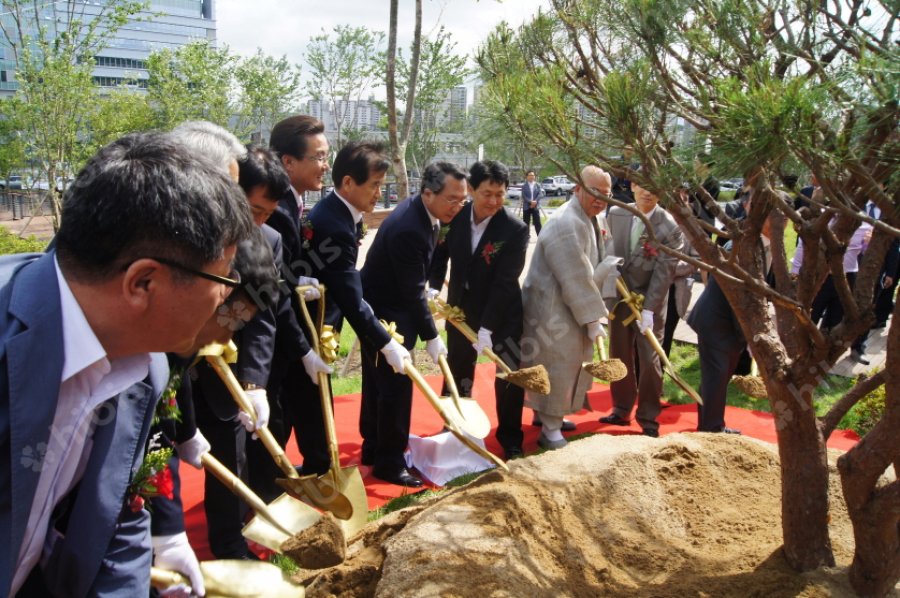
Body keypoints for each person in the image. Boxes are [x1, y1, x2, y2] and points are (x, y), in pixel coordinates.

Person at [0, 132, 253, 597]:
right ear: (143, 283)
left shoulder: (146, 368)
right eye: (224, 275)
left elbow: (115, 516)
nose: (227, 296)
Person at [150, 227, 279, 595]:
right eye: (233, 322)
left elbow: (175, 373)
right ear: (217, 288)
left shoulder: (185, 332)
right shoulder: (144, 333)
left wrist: (186, 430)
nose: (226, 339)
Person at [359, 162, 467, 486]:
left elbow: (417, 282)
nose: (458, 206)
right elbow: (411, 293)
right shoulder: (410, 227)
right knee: (395, 386)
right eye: (452, 199)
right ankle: (389, 462)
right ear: (428, 193)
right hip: (387, 311)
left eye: (462, 200)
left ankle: (373, 447)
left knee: (379, 383)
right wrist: (432, 336)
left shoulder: (425, 213)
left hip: (386, 303)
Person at [428, 160, 529, 459]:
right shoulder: (453, 219)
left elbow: (505, 281)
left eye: (500, 194)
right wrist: (433, 285)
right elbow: (439, 255)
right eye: (487, 193)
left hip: (503, 313)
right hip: (461, 308)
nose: (494, 201)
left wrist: (487, 327)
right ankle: (455, 426)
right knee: (458, 368)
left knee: (509, 374)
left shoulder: (514, 229)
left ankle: (511, 439)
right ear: (471, 190)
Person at [520, 166, 617, 450]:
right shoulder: (566, 221)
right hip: (553, 308)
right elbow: (574, 275)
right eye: (594, 192)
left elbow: (594, 262)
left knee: (563, 363)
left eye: (606, 194)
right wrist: (592, 319)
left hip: (570, 304)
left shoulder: (591, 216)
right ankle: (549, 430)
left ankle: (547, 417)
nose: (600, 199)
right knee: (556, 364)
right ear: (578, 188)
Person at [301, 140, 410, 382]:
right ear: (349, 182)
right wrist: (387, 343)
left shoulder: (344, 214)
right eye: (375, 185)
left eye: (382, 185)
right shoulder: (335, 226)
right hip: (312, 332)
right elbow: (349, 298)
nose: (380, 194)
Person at [266, 115, 333, 482]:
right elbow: (274, 291)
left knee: (303, 403)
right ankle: (270, 485)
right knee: (277, 412)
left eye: (326, 156)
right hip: (276, 336)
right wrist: (303, 349)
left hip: (291, 327)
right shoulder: (275, 211)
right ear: (288, 162)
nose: (325, 165)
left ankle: (316, 470)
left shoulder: (294, 203)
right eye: (319, 157)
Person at [600, 179, 684, 437]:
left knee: (650, 360)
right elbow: (606, 246)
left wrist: (648, 308)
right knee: (620, 353)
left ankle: (648, 418)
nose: (649, 192)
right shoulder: (615, 213)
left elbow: (664, 272)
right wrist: (608, 268)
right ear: (634, 186)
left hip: (650, 303)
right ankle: (621, 407)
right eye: (644, 186)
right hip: (619, 297)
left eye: (656, 187)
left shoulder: (668, 226)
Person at [687, 214, 776, 434]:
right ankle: (711, 429)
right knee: (716, 376)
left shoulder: (771, 246)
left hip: (733, 323)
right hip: (717, 320)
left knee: (720, 375)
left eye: (785, 219)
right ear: (762, 216)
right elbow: (736, 295)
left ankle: (712, 423)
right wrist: (751, 333)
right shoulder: (741, 247)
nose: (780, 224)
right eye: (775, 218)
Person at [520, 170, 544, 236]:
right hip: (527, 206)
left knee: (537, 222)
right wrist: (530, 202)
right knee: (526, 223)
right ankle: (526, 237)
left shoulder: (537, 185)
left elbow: (540, 194)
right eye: (530, 175)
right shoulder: (524, 186)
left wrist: (535, 201)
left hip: (535, 206)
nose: (532, 177)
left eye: (533, 175)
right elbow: (524, 196)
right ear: (527, 177)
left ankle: (540, 237)